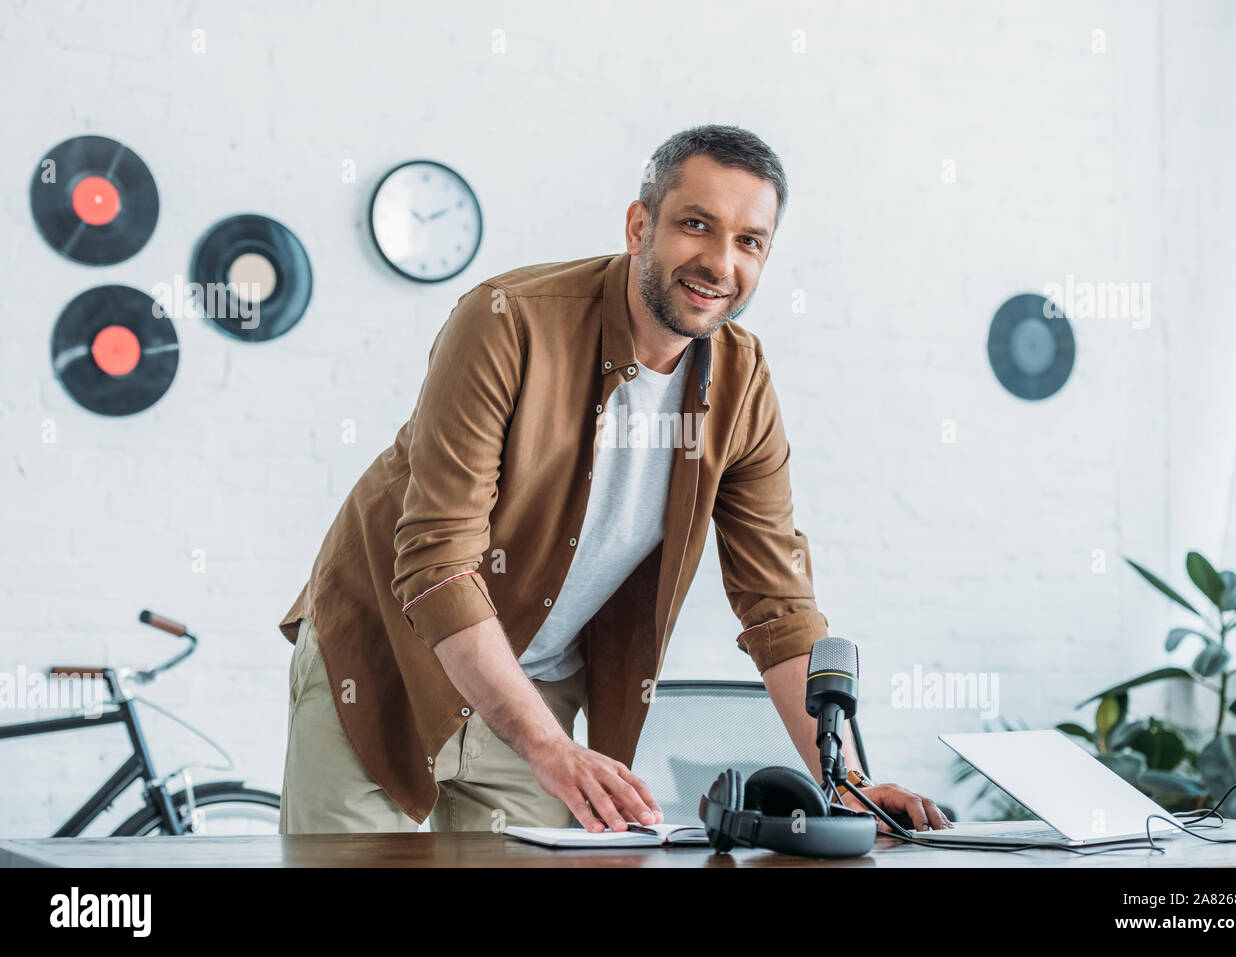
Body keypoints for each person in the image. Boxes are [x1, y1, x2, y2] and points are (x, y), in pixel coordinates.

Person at [278, 123, 952, 836]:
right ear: (639, 226)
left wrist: (842, 781)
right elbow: (438, 564)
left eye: (750, 241)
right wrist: (551, 749)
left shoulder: (743, 384)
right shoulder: (507, 323)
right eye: (697, 225)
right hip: (387, 661)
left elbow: (777, 609)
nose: (721, 262)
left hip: (536, 690)